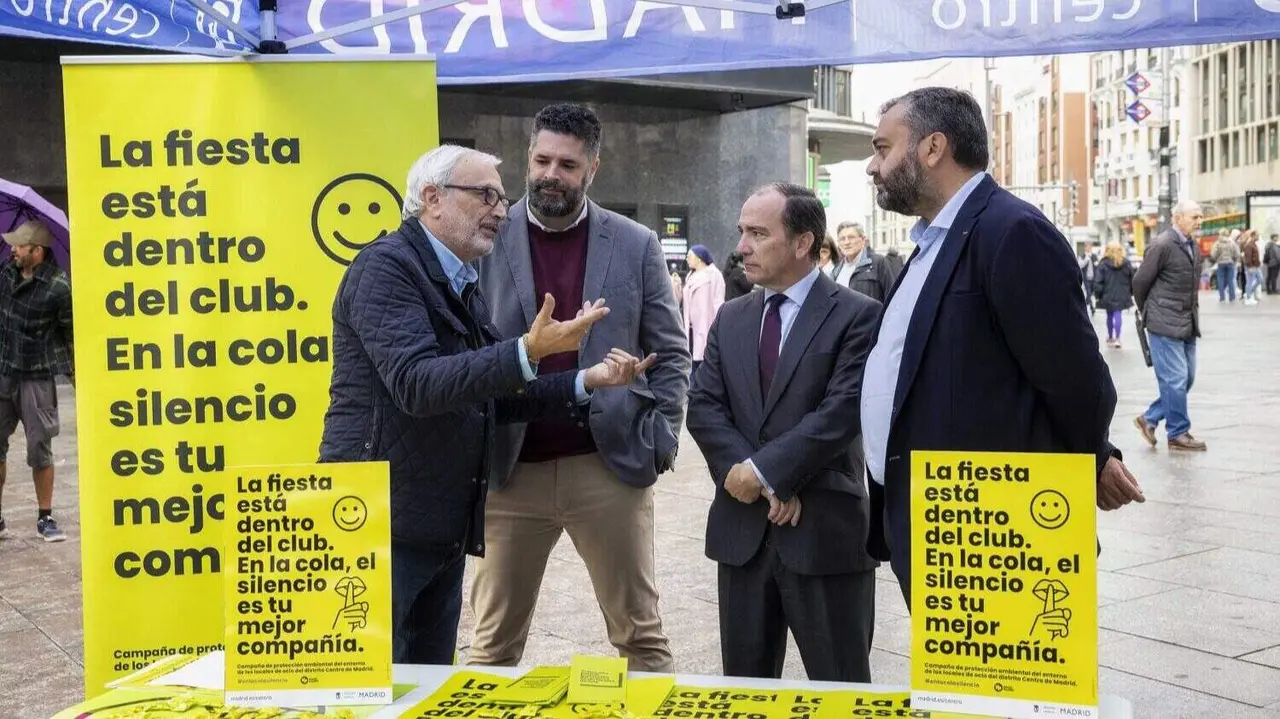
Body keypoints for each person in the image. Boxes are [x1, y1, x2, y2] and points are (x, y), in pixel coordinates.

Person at [318, 144, 653, 663]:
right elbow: (417, 384)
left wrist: (587, 379)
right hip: (378, 526)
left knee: (425, 686)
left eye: (502, 198)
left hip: (438, 526)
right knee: (365, 686)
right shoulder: (385, 269)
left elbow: (489, 396)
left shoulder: (457, 280)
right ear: (432, 198)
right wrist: (526, 350)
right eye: (487, 196)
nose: (502, 211)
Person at [859, 87, 1144, 603]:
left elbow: (1074, 378)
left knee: (1003, 686)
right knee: (953, 687)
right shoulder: (932, 240)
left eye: (883, 148)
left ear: (932, 147)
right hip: (937, 521)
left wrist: (1094, 456)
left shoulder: (1012, 232)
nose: (872, 166)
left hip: (994, 532)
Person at [473, 103, 691, 672]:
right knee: (490, 647)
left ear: (593, 167)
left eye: (567, 164)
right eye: (542, 159)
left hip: (608, 465)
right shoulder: (485, 238)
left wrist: (663, 435)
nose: (551, 173)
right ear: (527, 159)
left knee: (642, 640)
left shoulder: (636, 243)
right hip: (510, 470)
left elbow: (669, 351)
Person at [686, 183, 880, 682]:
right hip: (743, 535)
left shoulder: (858, 315)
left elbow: (842, 412)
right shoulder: (731, 316)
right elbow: (704, 406)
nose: (741, 246)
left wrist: (769, 473)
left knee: (843, 693)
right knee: (746, 691)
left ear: (801, 243)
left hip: (824, 535)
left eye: (757, 233)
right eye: (741, 232)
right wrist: (751, 476)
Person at [0, 220, 72, 542]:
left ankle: (45, 517)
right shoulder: (5, 274)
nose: (12, 249)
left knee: (39, 448)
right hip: (3, 371)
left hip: (37, 377)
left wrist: (76, 374)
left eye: (19, 245)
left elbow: (70, 334)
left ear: (37, 251)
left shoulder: (58, 287)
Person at [1132, 200, 1208, 452]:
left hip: (1186, 322)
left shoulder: (1191, 246)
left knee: (1186, 378)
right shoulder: (1163, 244)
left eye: (1200, 217)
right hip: (1163, 322)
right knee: (1175, 379)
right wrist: (1149, 311)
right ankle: (1178, 432)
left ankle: (1150, 418)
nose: (1200, 221)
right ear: (1178, 218)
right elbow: (1140, 282)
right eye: (1195, 217)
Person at [683, 244, 726, 373]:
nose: (687, 259)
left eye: (689, 256)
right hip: (690, 327)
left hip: (706, 325)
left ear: (699, 258)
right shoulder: (690, 275)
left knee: (703, 360)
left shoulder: (714, 275)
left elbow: (718, 301)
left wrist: (718, 325)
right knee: (692, 358)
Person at [830, 221, 897, 303]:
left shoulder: (878, 263)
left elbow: (892, 297)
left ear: (863, 239)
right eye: (842, 239)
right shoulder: (836, 270)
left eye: (851, 237)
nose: (846, 242)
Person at [1094, 241, 1135, 348]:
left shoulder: (1103, 264)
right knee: (1118, 314)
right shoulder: (1126, 263)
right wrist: (1130, 292)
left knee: (1109, 315)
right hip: (1122, 294)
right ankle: (1118, 338)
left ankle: (1110, 336)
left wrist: (1098, 295)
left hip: (1107, 294)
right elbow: (1132, 279)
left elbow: (1098, 281)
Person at [1210, 230, 1241, 303]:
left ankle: (1222, 297)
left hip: (1220, 263)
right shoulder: (1232, 242)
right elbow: (1237, 253)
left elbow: (1213, 254)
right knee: (1230, 280)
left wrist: (1217, 259)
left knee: (1220, 280)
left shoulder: (1217, 243)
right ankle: (1232, 297)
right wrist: (1234, 260)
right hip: (1230, 263)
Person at [1242, 230, 1263, 305]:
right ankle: (1248, 298)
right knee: (1250, 282)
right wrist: (1250, 266)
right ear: (1253, 235)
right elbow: (1248, 257)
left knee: (1260, 279)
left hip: (1256, 266)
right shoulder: (1249, 245)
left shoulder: (1253, 244)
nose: (1258, 237)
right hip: (1251, 266)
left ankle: (1248, 293)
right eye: (1257, 235)